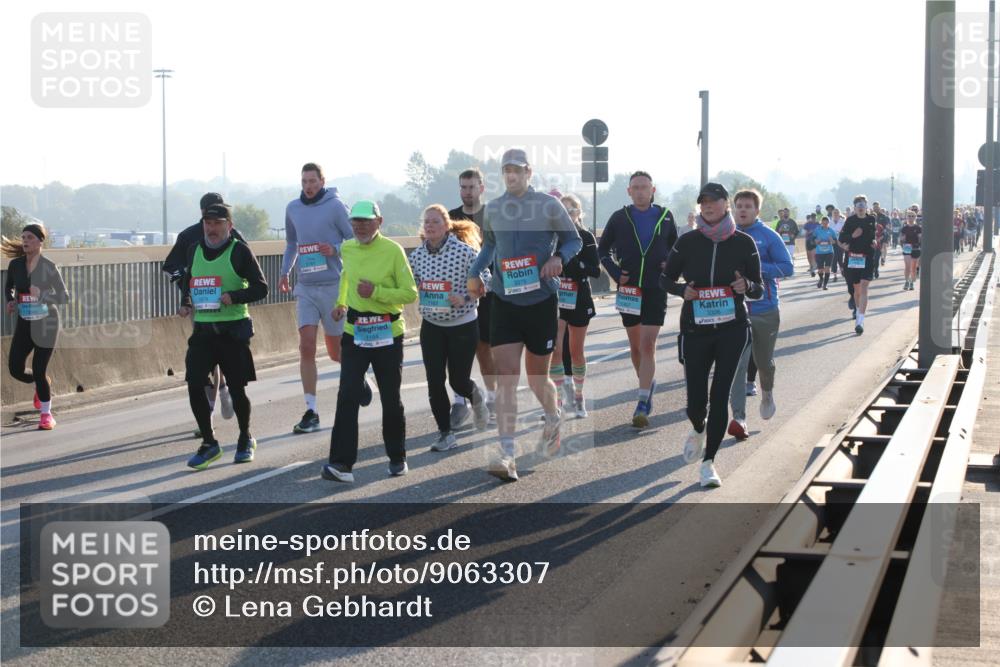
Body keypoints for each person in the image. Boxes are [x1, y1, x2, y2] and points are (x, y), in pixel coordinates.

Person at [467, 149, 582, 481]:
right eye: (506, 170)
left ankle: (553, 413)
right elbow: (489, 246)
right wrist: (474, 273)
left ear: (529, 172)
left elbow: (572, 241)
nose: (511, 175)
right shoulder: (494, 209)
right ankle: (506, 453)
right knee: (506, 377)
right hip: (504, 301)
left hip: (541, 300)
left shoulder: (548, 205)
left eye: (517, 170)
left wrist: (558, 258)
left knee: (536, 378)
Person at [661, 183, 763, 488]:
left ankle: (709, 464)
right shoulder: (687, 241)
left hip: (732, 330)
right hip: (695, 330)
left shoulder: (744, 243)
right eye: (703, 202)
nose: (707, 206)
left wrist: (747, 286)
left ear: (725, 204)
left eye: (713, 201)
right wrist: (682, 290)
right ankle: (697, 427)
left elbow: (759, 287)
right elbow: (665, 278)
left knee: (720, 397)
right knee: (696, 402)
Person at [322, 201, 418, 483]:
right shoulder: (348, 248)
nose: (360, 226)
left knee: (390, 397)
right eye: (355, 222)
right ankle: (341, 464)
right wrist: (341, 303)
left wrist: (375, 292)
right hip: (355, 330)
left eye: (366, 221)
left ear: (379, 221)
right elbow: (346, 277)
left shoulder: (392, 250)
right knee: (347, 395)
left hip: (387, 331)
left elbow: (409, 293)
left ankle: (397, 456)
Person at [178, 204, 268, 468]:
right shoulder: (194, 249)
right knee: (195, 383)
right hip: (204, 330)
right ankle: (209, 443)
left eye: (218, 223)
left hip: (232, 330)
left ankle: (245, 437)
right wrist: (185, 301)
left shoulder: (239, 251)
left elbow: (261, 288)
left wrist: (234, 297)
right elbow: (189, 279)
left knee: (238, 389)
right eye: (208, 223)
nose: (212, 229)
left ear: (229, 225)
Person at [279, 163, 360, 435]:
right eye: (304, 181)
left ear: (322, 180)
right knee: (307, 346)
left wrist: (334, 249)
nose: (308, 186)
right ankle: (311, 410)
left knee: (337, 352)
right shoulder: (293, 208)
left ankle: (358, 377)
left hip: (334, 286)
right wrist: (285, 271)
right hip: (305, 287)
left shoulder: (335, 206)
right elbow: (292, 243)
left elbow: (355, 240)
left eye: (312, 181)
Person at [597, 171, 678, 428]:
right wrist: (614, 272)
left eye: (645, 187)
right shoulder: (620, 218)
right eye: (636, 187)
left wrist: (671, 266)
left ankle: (643, 401)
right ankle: (647, 383)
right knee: (635, 347)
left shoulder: (665, 217)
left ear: (652, 190)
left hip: (655, 288)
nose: (641, 191)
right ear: (629, 192)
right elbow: (602, 249)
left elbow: (677, 249)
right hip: (629, 289)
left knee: (648, 345)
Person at [163, 192, 247, 437]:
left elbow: (247, 263)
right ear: (201, 215)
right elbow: (170, 268)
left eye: (220, 215)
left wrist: (235, 292)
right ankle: (210, 412)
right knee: (204, 364)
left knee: (221, 359)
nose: (214, 223)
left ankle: (224, 392)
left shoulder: (234, 234)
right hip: (201, 308)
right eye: (209, 215)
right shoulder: (188, 236)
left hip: (229, 309)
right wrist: (187, 289)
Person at [409, 205, 490, 453]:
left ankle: (475, 395)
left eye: (435, 222)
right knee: (434, 381)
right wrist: (416, 287)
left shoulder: (464, 252)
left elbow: (487, 279)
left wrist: (464, 296)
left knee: (457, 380)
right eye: (427, 222)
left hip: (462, 324)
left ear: (446, 225)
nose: (430, 226)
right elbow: (409, 281)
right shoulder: (417, 256)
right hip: (432, 325)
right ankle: (445, 433)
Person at [726, 189, 793, 441]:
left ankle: (767, 393)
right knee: (737, 366)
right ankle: (739, 418)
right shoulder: (726, 235)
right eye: (739, 205)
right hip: (733, 312)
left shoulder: (768, 236)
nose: (742, 210)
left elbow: (787, 268)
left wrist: (755, 269)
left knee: (763, 362)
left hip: (765, 309)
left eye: (747, 206)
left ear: (757, 211)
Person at [3, 222, 68, 430]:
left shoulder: (49, 266)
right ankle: (42, 383)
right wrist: (11, 301)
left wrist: (43, 295)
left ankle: (46, 415)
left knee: (39, 369)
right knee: (15, 368)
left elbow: (63, 296)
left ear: (40, 241)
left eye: (30, 237)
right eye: (23, 238)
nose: (25, 241)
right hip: (25, 322)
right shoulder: (16, 265)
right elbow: (9, 288)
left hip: (47, 324)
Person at [448, 168, 497, 427]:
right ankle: (459, 401)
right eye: (463, 187)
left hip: (488, 293)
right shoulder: (450, 218)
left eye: (471, 187)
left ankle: (492, 398)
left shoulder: (492, 215)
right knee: (456, 350)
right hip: (458, 294)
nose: (467, 192)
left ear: (482, 187)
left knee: (484, 348)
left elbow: (500, 251)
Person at [553, 194, 600, 418]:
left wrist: (575, 263)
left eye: (571, 211)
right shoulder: (552, 236)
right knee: (556, 349)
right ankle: (559, 401)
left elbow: (595, 270)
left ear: (579, 213)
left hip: (579, 294)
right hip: (557, 295)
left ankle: (579, 398)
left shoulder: (585, 236)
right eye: (563, 211)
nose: (567, 215)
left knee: (575, 351)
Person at [839, 195, 878, 335]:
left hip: (867, 257)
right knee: (856, 291)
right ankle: (857, 309)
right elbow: (841, 239)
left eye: (863, 204)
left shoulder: (871, 219)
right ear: (854, 207)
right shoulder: (850, 221)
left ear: (866, 206)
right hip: (852, 259)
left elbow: (871, 235)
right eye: (858, 204)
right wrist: (852, 237)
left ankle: (860, 321)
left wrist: (874, 241)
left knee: (864, 287)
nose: (861, 206)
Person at [812, 216, 838, 289]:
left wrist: (831, 240)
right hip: (819, 253)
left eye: (826, 222)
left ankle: (825, 285)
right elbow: (813, 240)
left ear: (828, 223)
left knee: (827, 268)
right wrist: (817, 241)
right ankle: (821, 279)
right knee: (820, 270)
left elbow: (835, 241)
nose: (825, 224)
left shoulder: (831, 231)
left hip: (829, 252)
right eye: (823, 222)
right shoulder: (817, 230)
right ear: (821, 223)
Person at [900, 209, 922, 290]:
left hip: (916, 248)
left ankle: (912, 282)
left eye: (913, 216)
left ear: (915, 218)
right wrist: (902, 241)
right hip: (907, 248)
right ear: (906, 217)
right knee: (907, 266)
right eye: (909, 216)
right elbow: (901, 239)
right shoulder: (904, 228)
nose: (911, 217)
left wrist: (919, 244)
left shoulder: (918, 228)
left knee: (913, 267)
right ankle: (906, 281)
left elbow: (920, 238)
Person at [830, 208, 847, 282]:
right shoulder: (829, 222)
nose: (835, 214)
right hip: (832, 242)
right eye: (834, 213)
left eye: (837, 212)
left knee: (839, 257)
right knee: (834, 258)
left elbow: (846, 232)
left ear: (839, 214)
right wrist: (830, 239)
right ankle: (835, 275)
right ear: (832, 214)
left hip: (841, 242)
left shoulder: (843, 222)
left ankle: (842, 269)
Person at [803, 213, 819, 277]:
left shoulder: (818, 224)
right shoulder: (807, 224)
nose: (813, 219)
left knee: (813, 254)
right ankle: (811, 266)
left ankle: (813, 269)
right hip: (808, 241)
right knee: (809, 256)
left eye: (814, 217)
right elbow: (803, 233)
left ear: (816, 217)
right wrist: (810, 232)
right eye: (812, 217)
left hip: (815, 241)